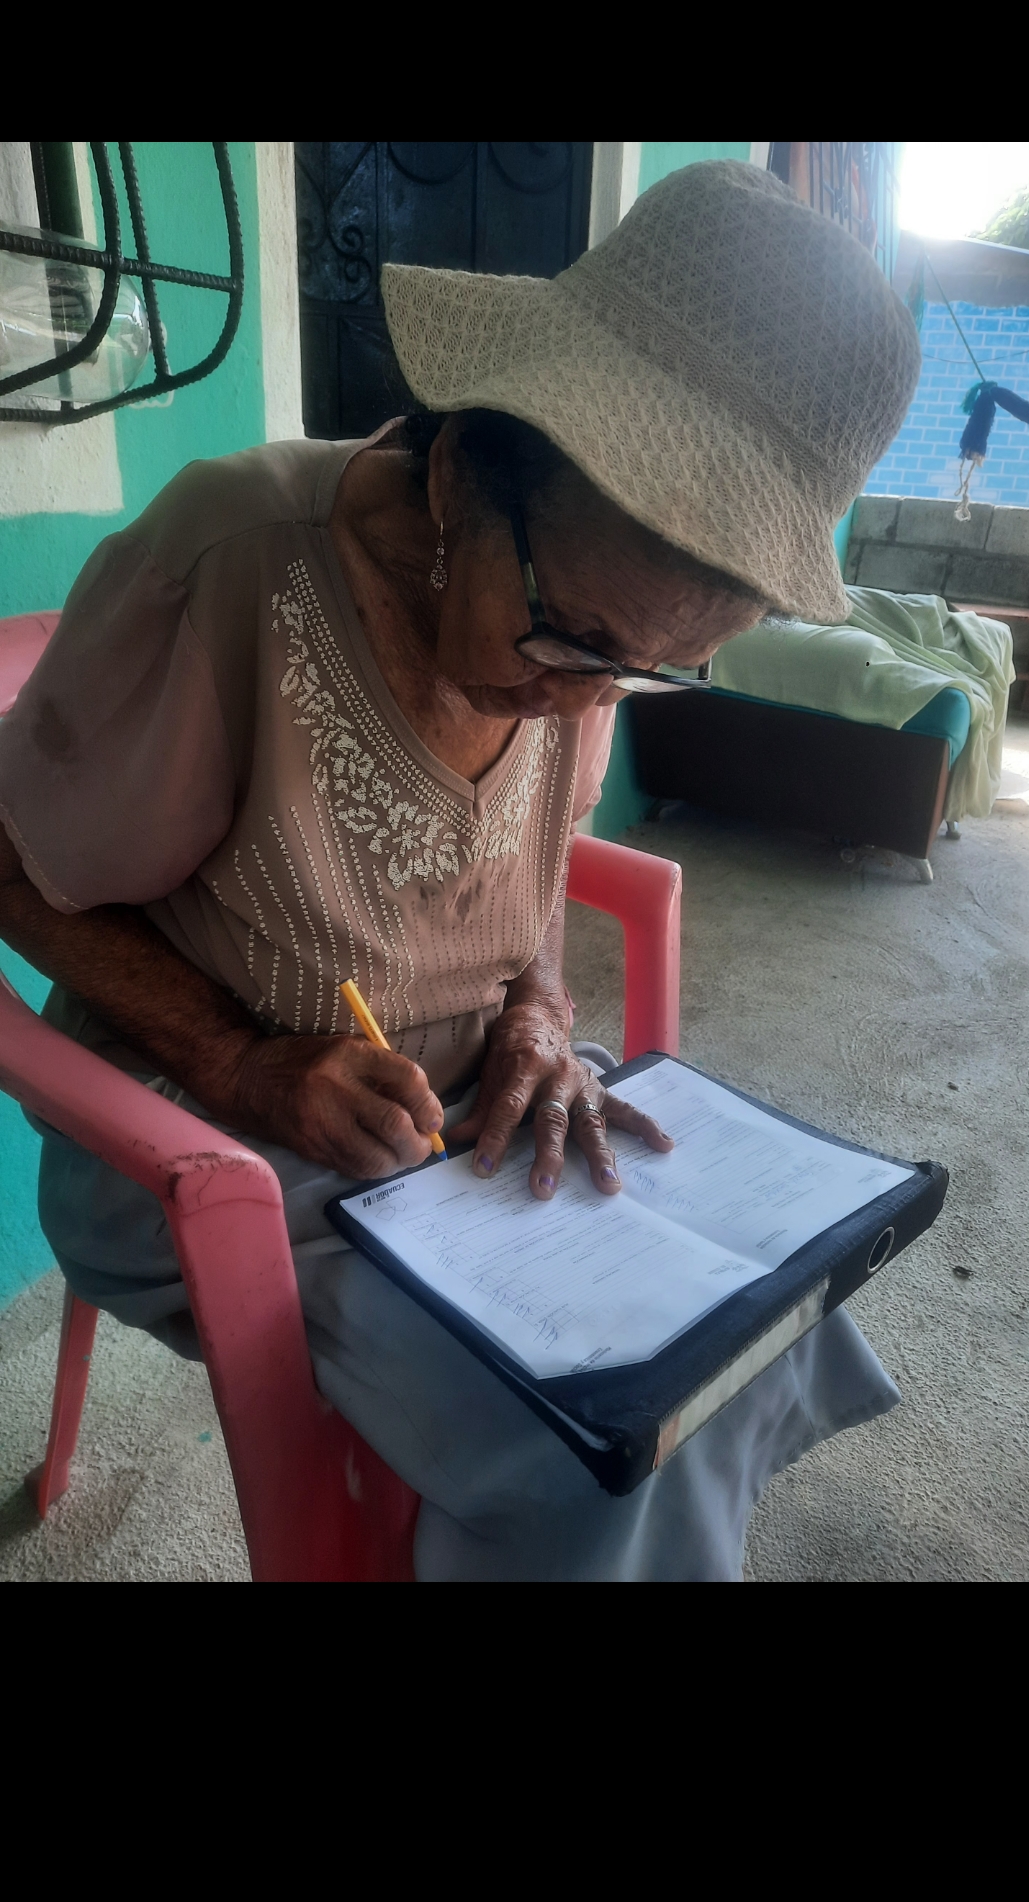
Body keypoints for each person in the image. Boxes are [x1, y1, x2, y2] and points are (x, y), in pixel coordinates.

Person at [0, 160, 922, 1579]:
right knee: (590, 1454)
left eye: (650, 670)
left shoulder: (590, 627)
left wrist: (542, 1015)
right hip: (211, 1132)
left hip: (469, 1118)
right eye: (573, 635)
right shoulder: (233, 560)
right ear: (457, 470)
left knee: (745, 1334)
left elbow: (521, 887)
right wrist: (247, 1065)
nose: (584, 699)